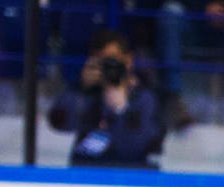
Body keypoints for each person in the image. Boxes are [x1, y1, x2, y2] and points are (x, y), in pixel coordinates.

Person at [47, 28, 166, 169]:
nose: (107, 67)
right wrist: (82, 89)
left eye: (112, 60)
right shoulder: (84, 94)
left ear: (128, 60)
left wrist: (120, 109)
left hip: (134, 175)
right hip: (89, 174)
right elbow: (60, 124)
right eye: (100, 60)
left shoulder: (146, 97)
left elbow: (140, 146)